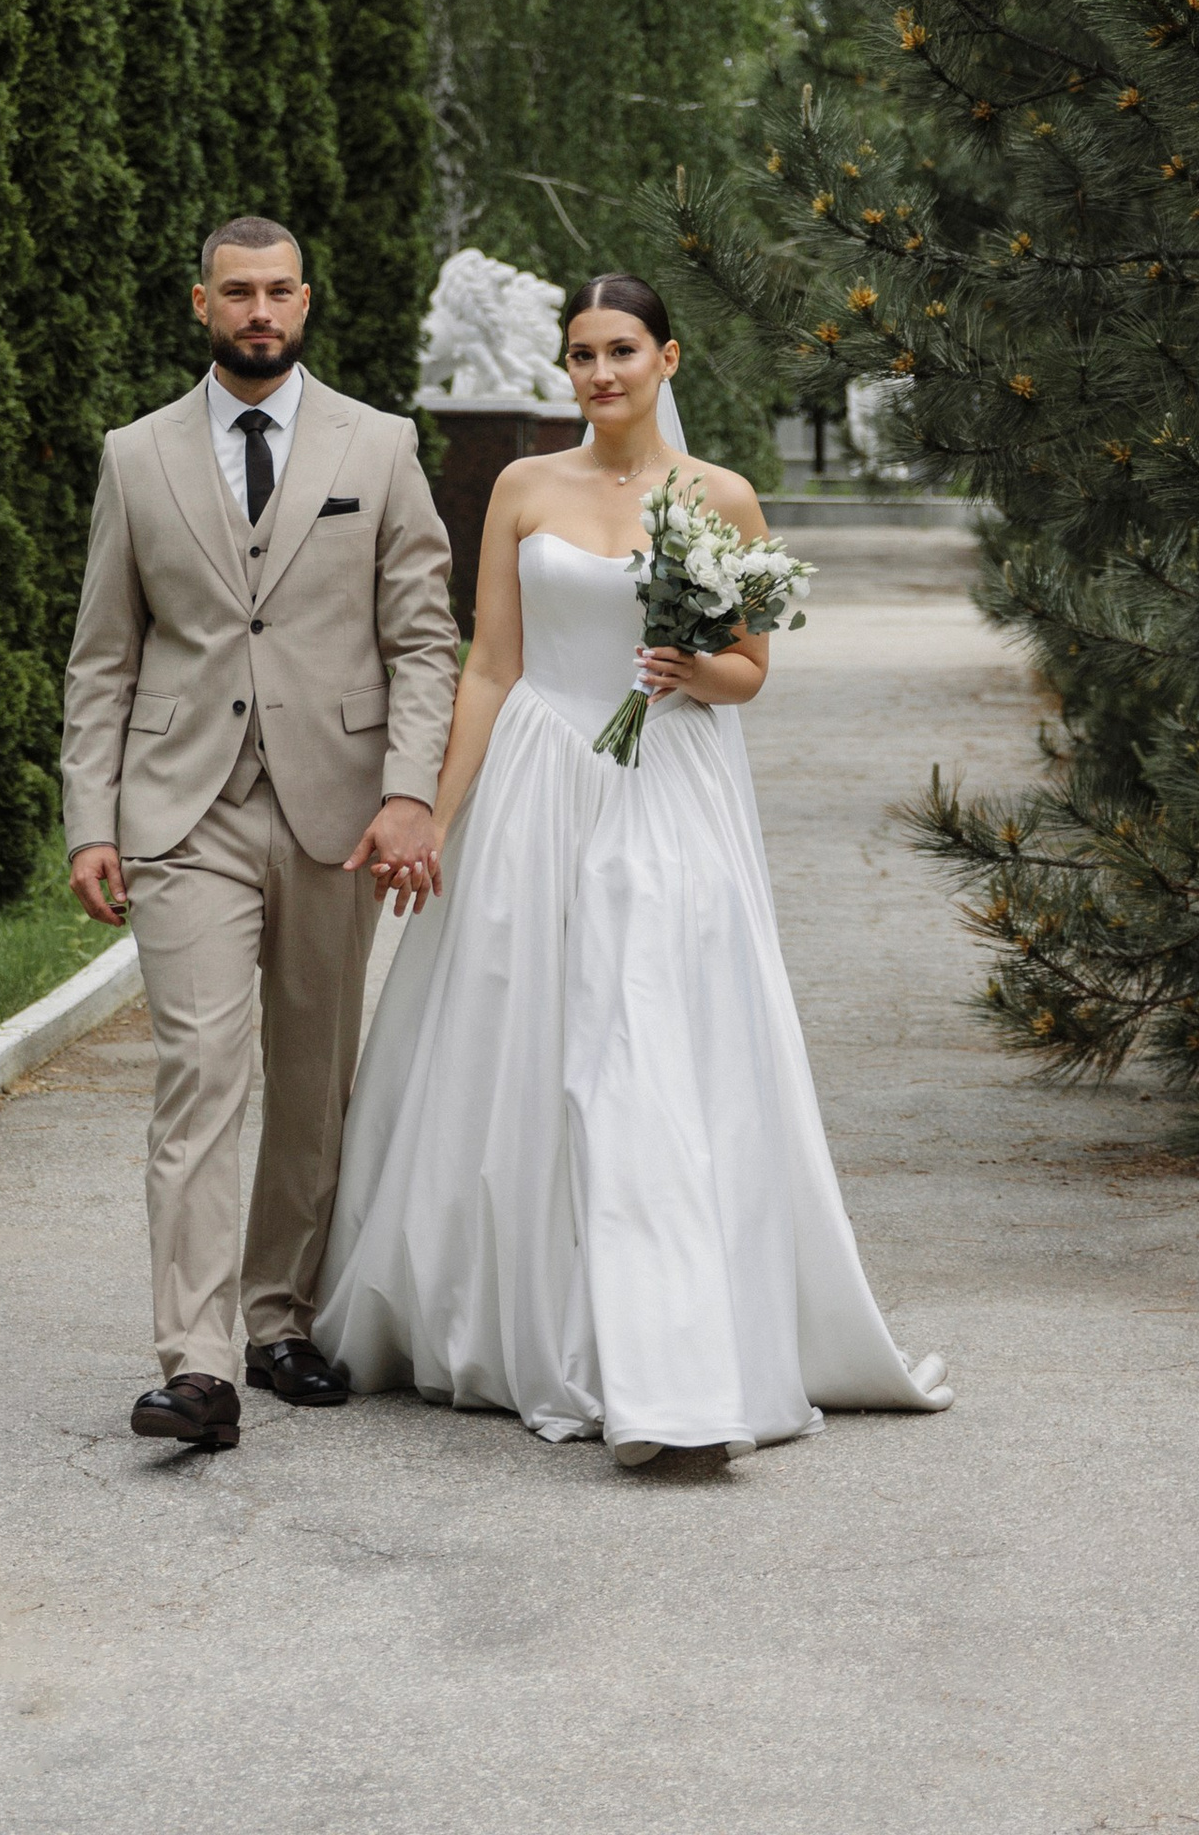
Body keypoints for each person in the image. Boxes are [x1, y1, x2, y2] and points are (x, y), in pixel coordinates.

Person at [315, 270, 951, 1464]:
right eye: (580, 355)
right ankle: (536, 1325)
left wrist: (688, 667)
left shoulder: (721, 497)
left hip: (670, 788)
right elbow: (491, 666)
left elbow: (752, 669)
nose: (598, 374)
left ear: (669, 359)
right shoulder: (520, 486)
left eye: (620, 350)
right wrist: (433, 816)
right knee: (526, 1037)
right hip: (540, 783)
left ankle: (669, 1369)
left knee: (646, 1042)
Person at [62, 215, 460, 1454]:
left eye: (278, 291)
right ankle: (197, 1364)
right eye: (236, 292)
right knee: (199, 1073)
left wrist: (410, 793)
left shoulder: (379, 444)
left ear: (306, 299)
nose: (259, 312)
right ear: (199, 302)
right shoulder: (137, 457)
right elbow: (101, 657)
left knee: (311, 1078)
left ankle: (278, 1315)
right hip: (183, 808)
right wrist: (91, 816)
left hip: (336, 809)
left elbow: (423, 641)